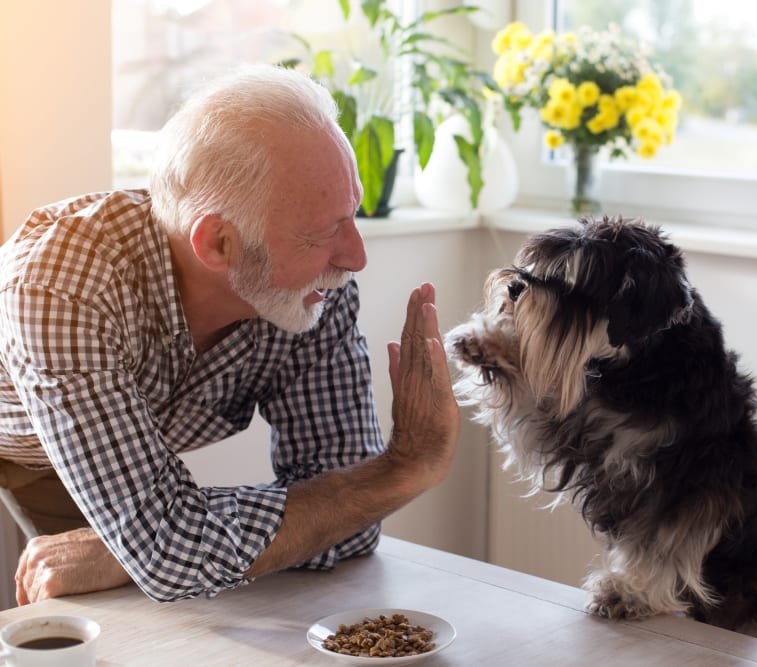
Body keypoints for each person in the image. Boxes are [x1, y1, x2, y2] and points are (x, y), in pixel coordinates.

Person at [0, 64, 459, 605]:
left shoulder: (313, 290)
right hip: (19, 445)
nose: (355, 257)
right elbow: (172, 554)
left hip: (123, 445)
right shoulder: (62, 285)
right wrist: (408, 467)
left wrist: (158, 542)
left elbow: (352, 521)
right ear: (218, 244)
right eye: (323, 231)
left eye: (352, 214)